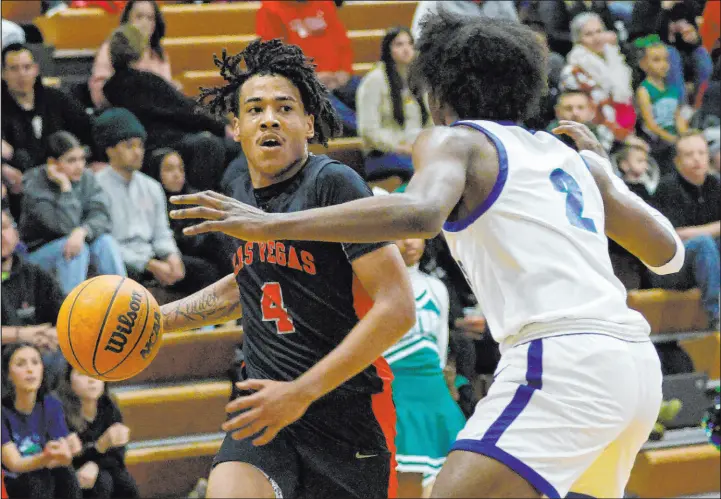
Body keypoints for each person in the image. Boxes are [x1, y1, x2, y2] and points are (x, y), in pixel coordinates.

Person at [169, 14, 686, 498]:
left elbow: (421, 214)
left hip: (560, 359)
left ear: (436, 92)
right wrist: (605, 172)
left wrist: (270, 224)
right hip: (634, 368)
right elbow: (668, 254)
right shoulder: (575, 160)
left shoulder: (455, 140)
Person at [160, 38, 415, 499]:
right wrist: (159, 321)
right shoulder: (237, 185)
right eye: (255, 109)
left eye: (284, 107)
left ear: (309, 122)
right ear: (235, 127)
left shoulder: (333, 183)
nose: (270, 118)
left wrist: (300, 392)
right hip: (264, 411)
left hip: (345, 414)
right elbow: (248, 280)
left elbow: (398, 308)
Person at [382, 230, 466, 498]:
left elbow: (441, 343)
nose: (409, 242)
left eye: (416, 234)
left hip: (432, 391)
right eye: (400, 235)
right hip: (394, 388)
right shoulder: (374, 285)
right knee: (404, 471)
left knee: (446, 470)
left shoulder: (435, 287)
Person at [19, 131, 126, 296]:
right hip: (37, 255)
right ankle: (69, 313)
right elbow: (64, 226)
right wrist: (66, 189)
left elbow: (102, 215)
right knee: (75, 249)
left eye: (82, 159)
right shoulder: (35, 185)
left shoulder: (87, 178)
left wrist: (82, 231)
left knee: (106, 242)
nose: (80, 166)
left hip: (78, 240)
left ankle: (124, 300)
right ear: (52, 163)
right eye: (71, 160)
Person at [1, 343, 82, 499]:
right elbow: (14, 463)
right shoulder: (2, 412)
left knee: (65, 474)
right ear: (8, 375)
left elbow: (61, 452)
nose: (30, 369)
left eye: (35, 362)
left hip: (45, 474)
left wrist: (69, 449)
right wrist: (45, 457)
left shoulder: (51, 404)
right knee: (37, 480)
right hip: (13, 481)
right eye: (21, 364)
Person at [356, 27, 432, 191]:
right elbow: (368, 130)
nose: (406, 49)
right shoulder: (374, 81)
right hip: (382, 154)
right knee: (421, 170)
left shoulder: (420, 78)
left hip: (415, 149)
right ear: (388, 49)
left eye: (410, 44)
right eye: (399, 44)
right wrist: (399, 147)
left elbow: (430, 121)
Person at [54, 366, 139, 498]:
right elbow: (69, 460)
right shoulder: (58, 411)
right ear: (68, 380)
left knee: (124, 481)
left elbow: (117, 456)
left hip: (99, 467)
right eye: (83, 374)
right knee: (102, 482)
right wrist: (99, 447)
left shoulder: (109, 407)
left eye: (97, 374)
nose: (92, 380)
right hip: (70, 473)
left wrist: (95, 464)